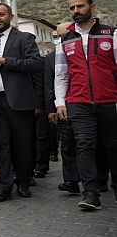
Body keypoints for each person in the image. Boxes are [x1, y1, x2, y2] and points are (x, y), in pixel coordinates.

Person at [55, 0, 117, 210]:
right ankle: (90, 194)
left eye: (80, 6)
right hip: (78, 101)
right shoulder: (65, 39)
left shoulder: (111, 34)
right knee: (84, 146)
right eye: (72, 8)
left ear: (92, 7)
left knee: (113, 146)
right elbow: (61, 74)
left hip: (110, 100)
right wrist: (60, 102)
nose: (76, 11)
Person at [0, 3, 42, 202]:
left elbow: (35, 63)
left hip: (19, 100)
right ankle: (3, 187)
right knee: (1, 145)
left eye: (1, 14)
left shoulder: (24, 38)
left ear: (11, 16)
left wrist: (5, 61)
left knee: (22, 145)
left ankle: (24, 183)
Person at [45, 22, 80, 195]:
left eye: (65, 34)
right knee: (67, 145)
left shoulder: (82, 50)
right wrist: (52, 108)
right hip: (64, 107)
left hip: (85, 103)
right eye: (59, 35)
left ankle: (100, 181)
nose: (62, 38)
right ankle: (71, 181)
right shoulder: (51, 57)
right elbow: (49, 84)